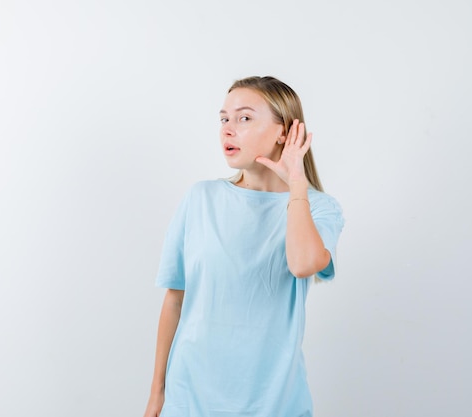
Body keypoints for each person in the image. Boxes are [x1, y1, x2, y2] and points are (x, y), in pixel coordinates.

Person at [143, 76, 344, 417]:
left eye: (244, 118)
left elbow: (303, 264)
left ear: (285, 132)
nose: (228, 129)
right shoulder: (200, 199)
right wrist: (157, 396)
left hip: (274, 403)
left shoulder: (320, 208)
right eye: (224, 118)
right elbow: (175, 299)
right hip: (190, 399)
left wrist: (296, 183)